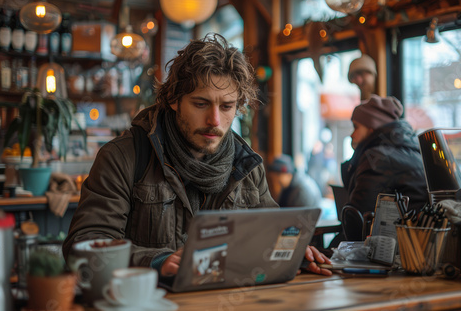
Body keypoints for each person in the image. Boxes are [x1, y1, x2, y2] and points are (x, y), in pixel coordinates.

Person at [63, 33, 331, 279]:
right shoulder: (123, 157)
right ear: (173, 99)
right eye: (200, 104)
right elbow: (84, 243)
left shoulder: (248, 167)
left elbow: (270, 236)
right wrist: (156, 262)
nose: (214, 120)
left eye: (226, 106)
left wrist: (291, 253)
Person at [341, 95, 429, 241]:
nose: (352, 134)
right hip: (415, 246)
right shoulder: (414, 147)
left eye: (356, 127)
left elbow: (356, 221)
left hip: (388, 250)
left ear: (372, 127)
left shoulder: (376, 158)